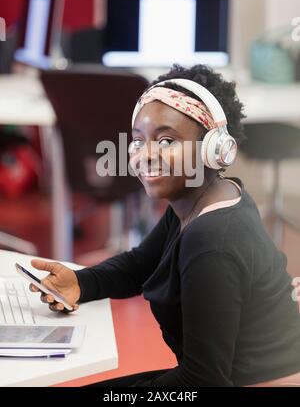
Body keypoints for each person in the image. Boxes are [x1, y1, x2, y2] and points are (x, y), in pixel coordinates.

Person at [30, 64, 300, 387]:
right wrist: (81, 282)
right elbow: (139, 265)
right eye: (139, 140)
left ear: (213, 150)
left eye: (167, 141)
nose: (146, 155)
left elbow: (202, 382)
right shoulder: (197, 200)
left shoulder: (211, 240)